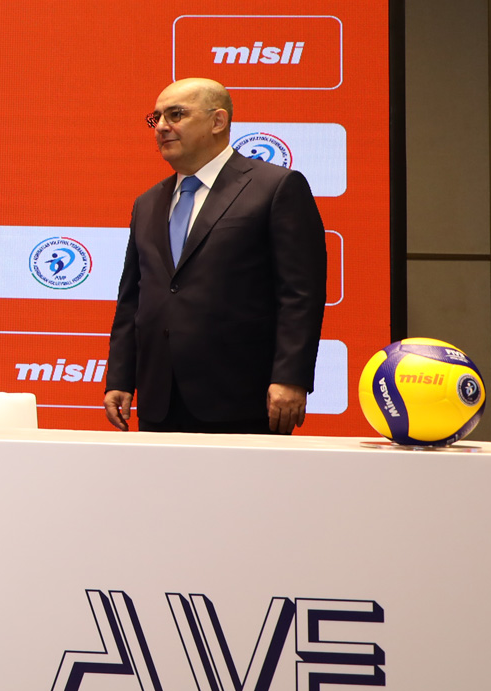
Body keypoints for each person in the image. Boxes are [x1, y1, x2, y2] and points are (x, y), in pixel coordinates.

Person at [104, 78, 326, 435]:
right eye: (156, 118)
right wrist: (120, 377)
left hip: (243, 398)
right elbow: (133, 298)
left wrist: (290, 377)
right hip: (159, 400)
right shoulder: (147, 203)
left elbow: (300, 295)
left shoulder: (275, 187)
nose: (161, 127)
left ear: (217, 121)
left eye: (176, 115)